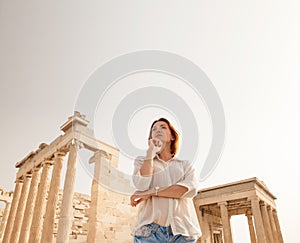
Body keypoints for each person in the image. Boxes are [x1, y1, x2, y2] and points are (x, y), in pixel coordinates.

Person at [130, 118, 201, 243]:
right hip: (149, 234)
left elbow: (189, 190)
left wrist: (152, 192)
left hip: (182, 233)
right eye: (154, 129)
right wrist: (150, 153)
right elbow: (141, 185)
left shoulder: (184, 165)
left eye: (163, 127)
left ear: (172, 136)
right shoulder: (142, 161)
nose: (158, 130)